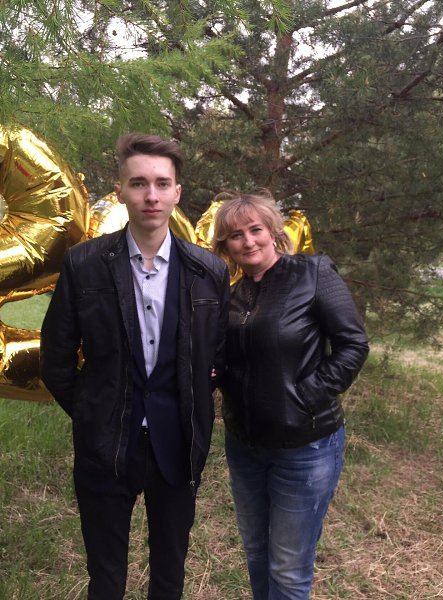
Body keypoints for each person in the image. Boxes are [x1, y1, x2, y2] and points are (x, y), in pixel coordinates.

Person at [40, 133, 229, 600]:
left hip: (178, 444)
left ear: (177, 192)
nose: (151, 195)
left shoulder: (208, 271)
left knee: (169, 573)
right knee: (105, 578)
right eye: (139, 183)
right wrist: (92, 410)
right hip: (106, 445)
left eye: (162, 184)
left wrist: (192, 399)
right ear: (120, 190)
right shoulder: (84, 264)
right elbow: (56, 356)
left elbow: (218, 355)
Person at [212, 190, 369, 600]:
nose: (248, 241)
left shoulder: (312, 274)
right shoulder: (232, 296)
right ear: (225, 246)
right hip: (244, 446)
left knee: (288, 566)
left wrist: (305, 397)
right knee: (255, 551)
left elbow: (353, 345)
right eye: (235, 235)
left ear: (273, 231)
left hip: (305, 447)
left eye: (255, 229)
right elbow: (231, 362)